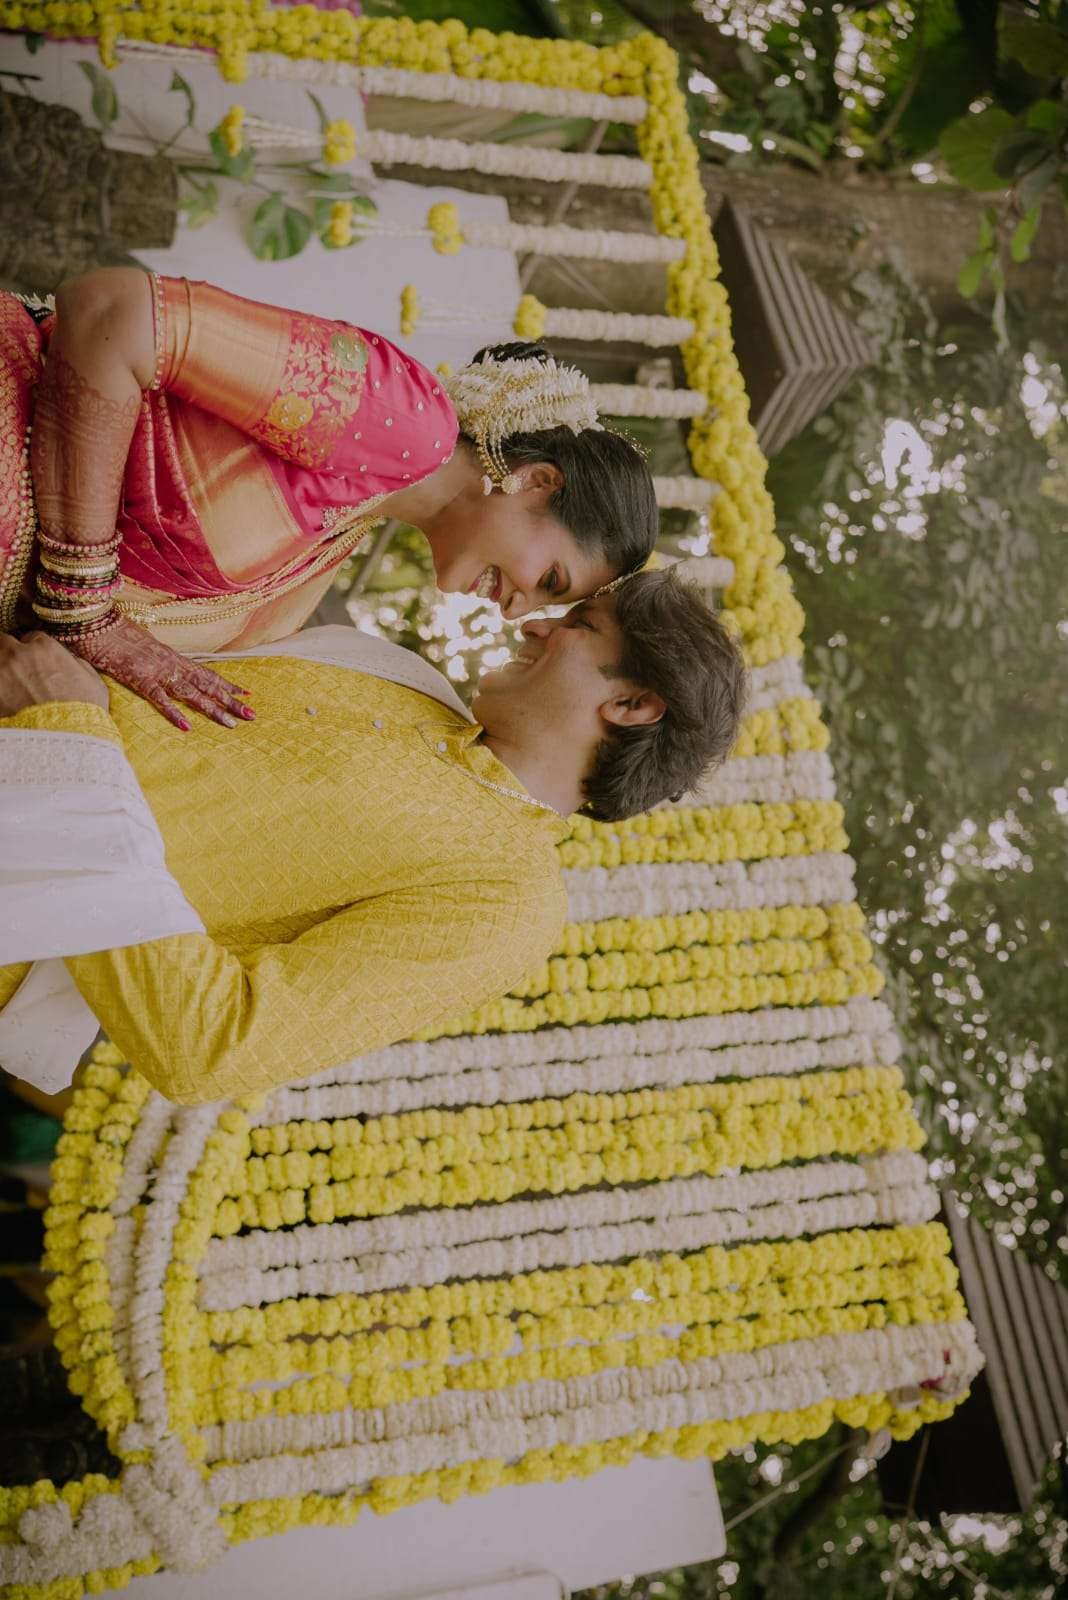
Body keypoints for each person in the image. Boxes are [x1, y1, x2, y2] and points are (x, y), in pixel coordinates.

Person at [0, 569, 748, 1106]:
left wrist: (68, 736)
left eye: (580, 626)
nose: (536, 624)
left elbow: (208, 1047)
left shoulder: (505, 897)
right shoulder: (396, 676)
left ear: (632, 703)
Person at [0, 271, 658, 728]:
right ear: (537, 482)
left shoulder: (339, 542)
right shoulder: (403, 419)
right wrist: (82, 603)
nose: (519, 611)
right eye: (550, 580)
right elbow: (113, 310)